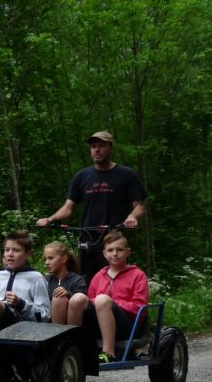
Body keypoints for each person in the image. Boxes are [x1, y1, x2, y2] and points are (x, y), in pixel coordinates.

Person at [36, 131, 148, 279]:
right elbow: (68, 208)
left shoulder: (126, 174)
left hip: (113, 236)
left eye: (101, 146)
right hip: (87, 236)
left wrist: (132, 217)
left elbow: (139, 206)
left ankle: (113, 302)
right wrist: (49, 219)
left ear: (111, 148)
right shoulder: (82, 176)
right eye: (93, 146)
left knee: (112, 277)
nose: (97, 149)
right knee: (84, 277)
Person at [65, 231, 149, 363]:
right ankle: (73, 349)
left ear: (128, 252)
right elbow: (90, 300)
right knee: (77, 298)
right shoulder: (99, 276)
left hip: (126, 327)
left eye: (119, 250)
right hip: (98, 325)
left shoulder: (138, 275)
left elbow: (140, 308)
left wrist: (111, 302)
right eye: (110, 250)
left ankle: (108, 352)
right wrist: (101, 302)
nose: (114, 254)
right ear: (104, 254)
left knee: (102, 299)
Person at [43, 241, 87, 325]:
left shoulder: (77, 280)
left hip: (73, 325)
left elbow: (81, 304)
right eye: (45, 259)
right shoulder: (45, 280)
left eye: (50, 258)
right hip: (47, 327)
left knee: (59, 298)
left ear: (64, 259)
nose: (46, 263)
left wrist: (68, 294)